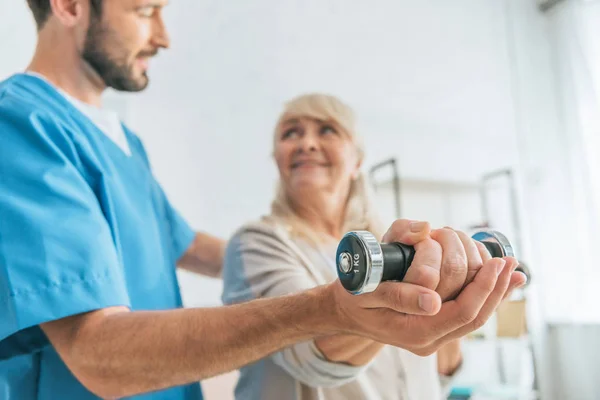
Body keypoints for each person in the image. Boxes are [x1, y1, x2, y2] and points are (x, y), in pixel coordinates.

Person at [0, 1, 525, 399]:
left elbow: (182, 242)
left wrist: (341, 256)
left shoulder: (124, 143)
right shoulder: (24, 125)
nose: (163, 36)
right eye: (145, 10)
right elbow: (98, 354)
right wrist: (325, 300)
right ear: (69, 5)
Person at [221, 94, 526, 400]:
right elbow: (307, 354)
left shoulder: (391, 247)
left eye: (327, 130)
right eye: (291, 133)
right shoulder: (255, 243)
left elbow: (435, 374)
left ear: (357, 161)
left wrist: (453, 296)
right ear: (277, 158)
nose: (307, 144)